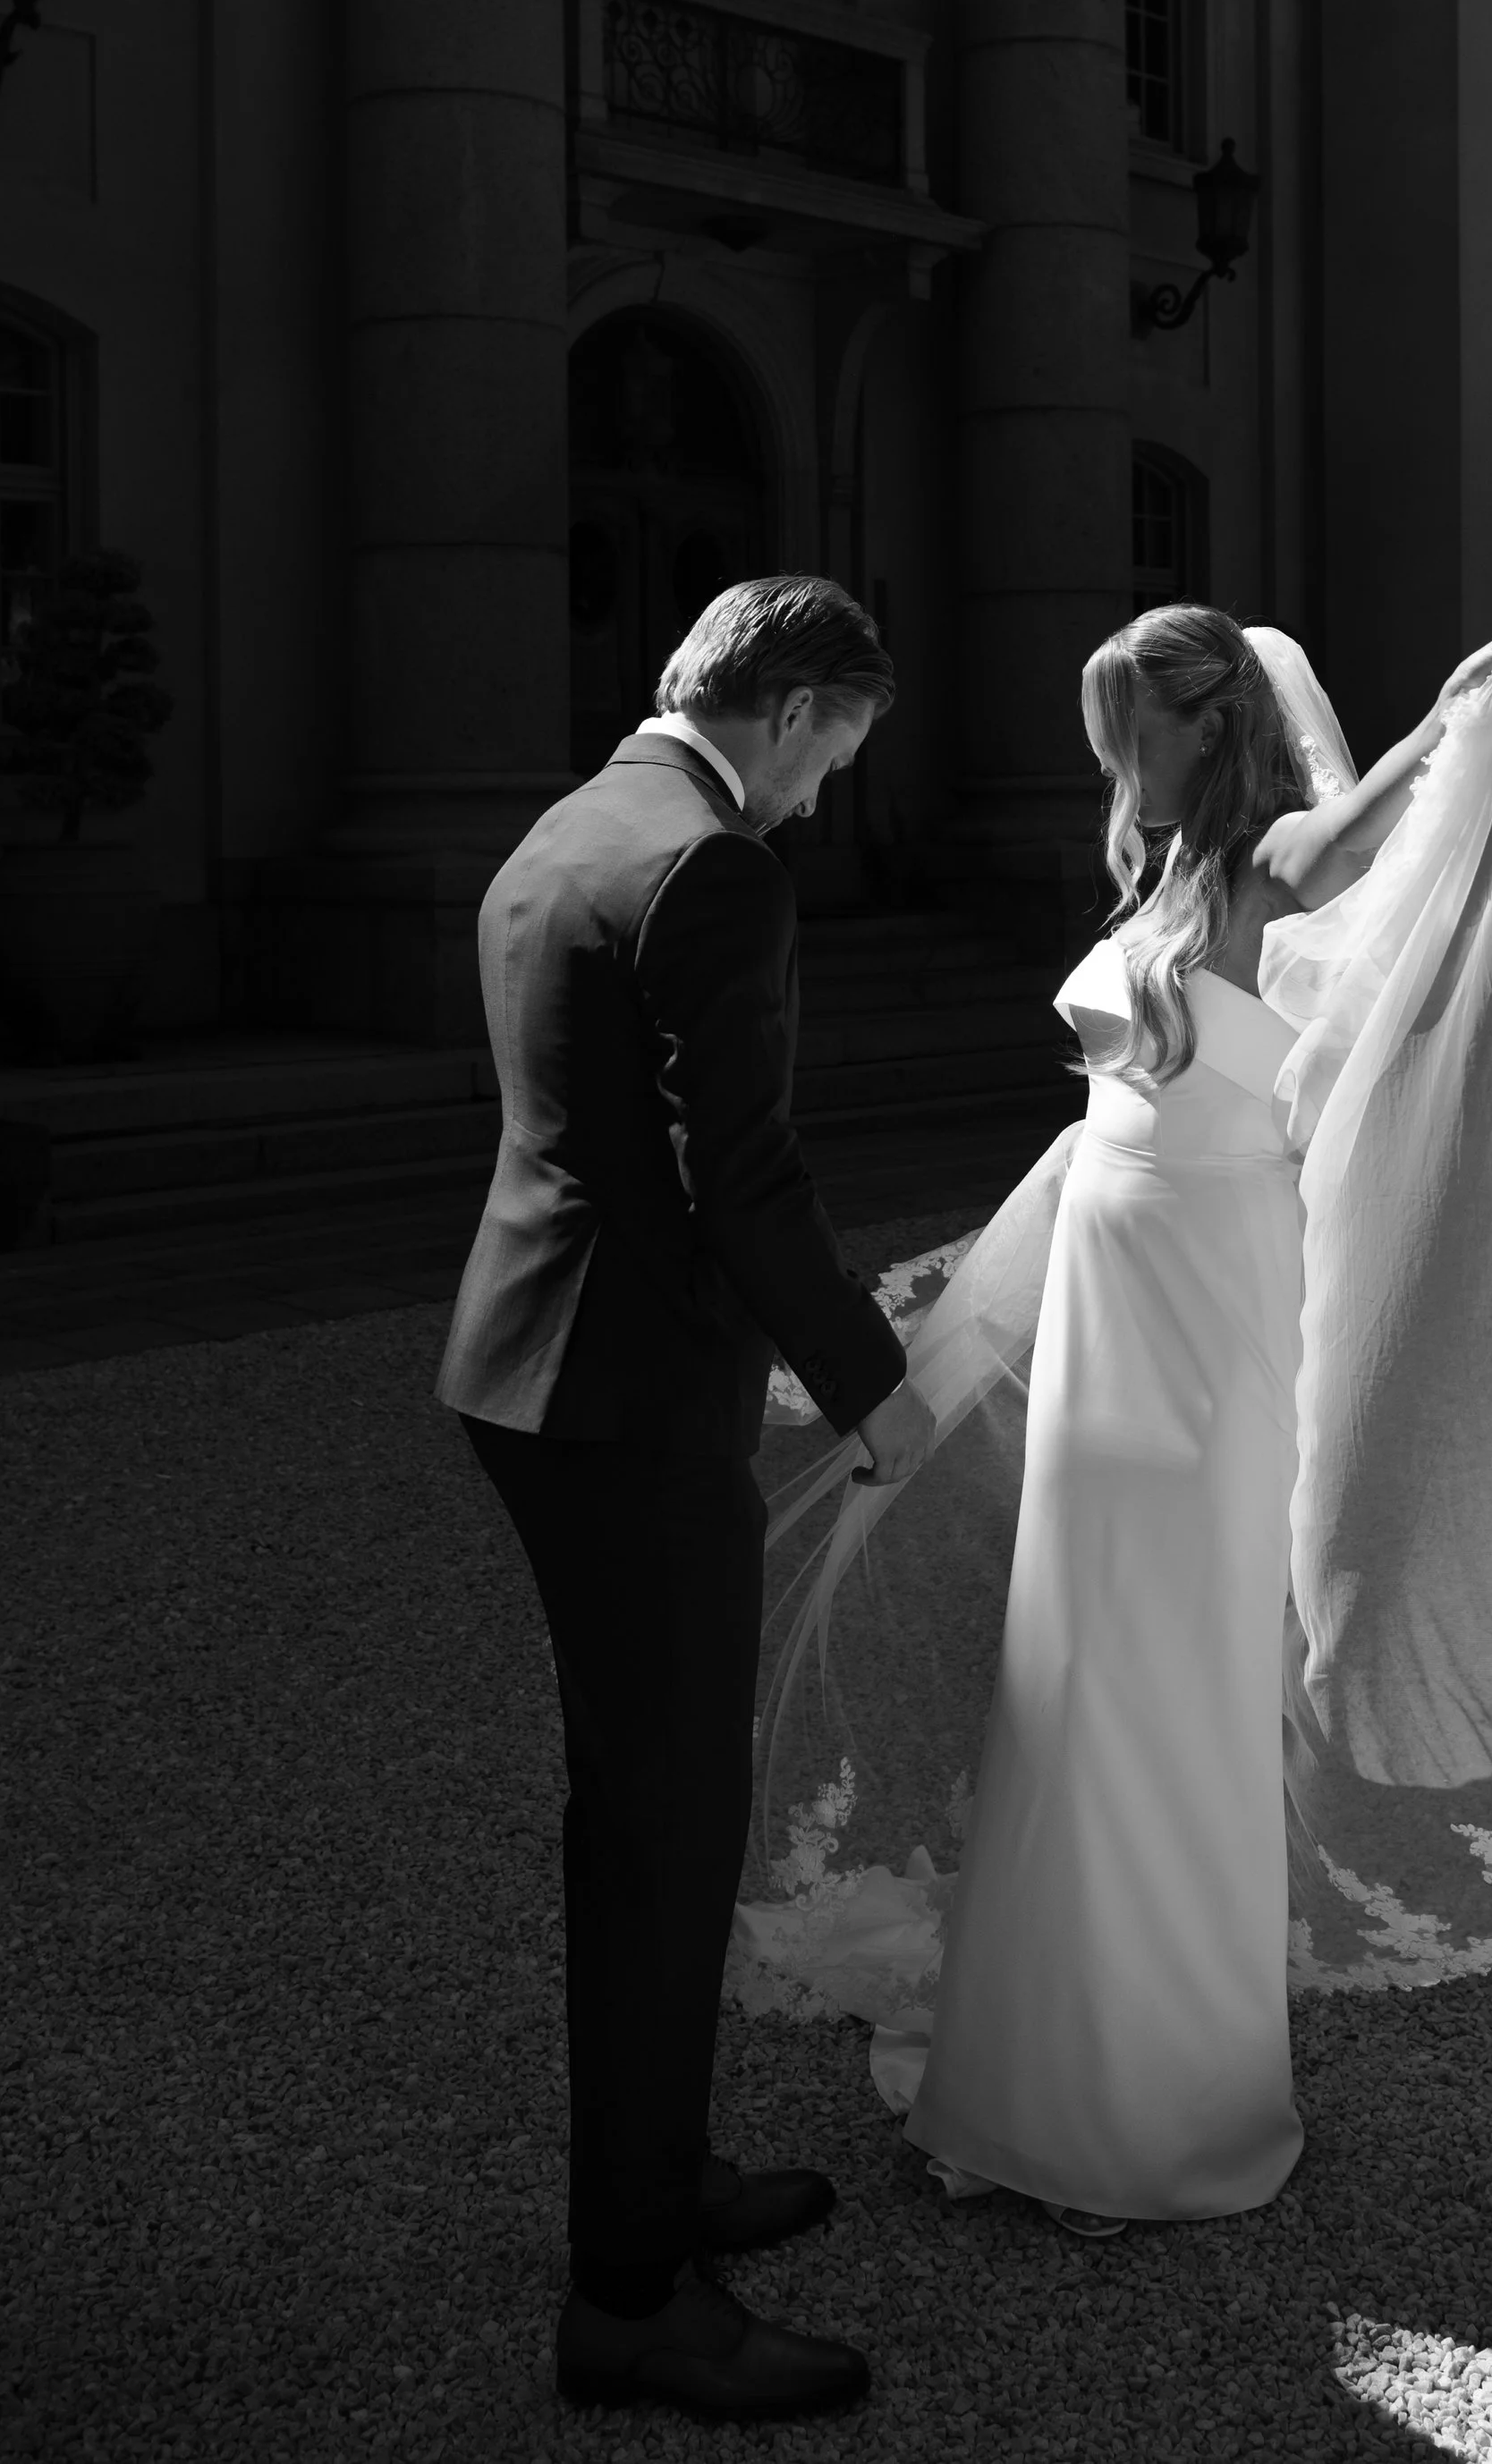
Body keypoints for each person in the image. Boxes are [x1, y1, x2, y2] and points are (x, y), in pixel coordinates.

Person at [735, 607, 1492, 2238]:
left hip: (1208, 1333)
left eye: (1124, 725)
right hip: (1109, 1329)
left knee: (1166, 1691)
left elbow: (1400, 802)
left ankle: (1149, 2107)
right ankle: (1031, 2071)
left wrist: (1476, 694)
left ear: (1205, 726)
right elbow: (1110, 1125)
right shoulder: (1158, 881)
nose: (1102, 756)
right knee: (1064, 1680)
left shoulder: (1281, 855)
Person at [438, 574, 936, 2422]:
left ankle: (654, 2178)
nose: (826, 797)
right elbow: (742, 1174)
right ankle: (634, 2297)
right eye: (840, 755)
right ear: (793, 712)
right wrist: (870, 1387)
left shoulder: (572, 826)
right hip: (630, 1400)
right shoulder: (716, 868)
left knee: (638, 1819)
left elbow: (613, 1145)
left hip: (534, 1363)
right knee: (662, 1833)